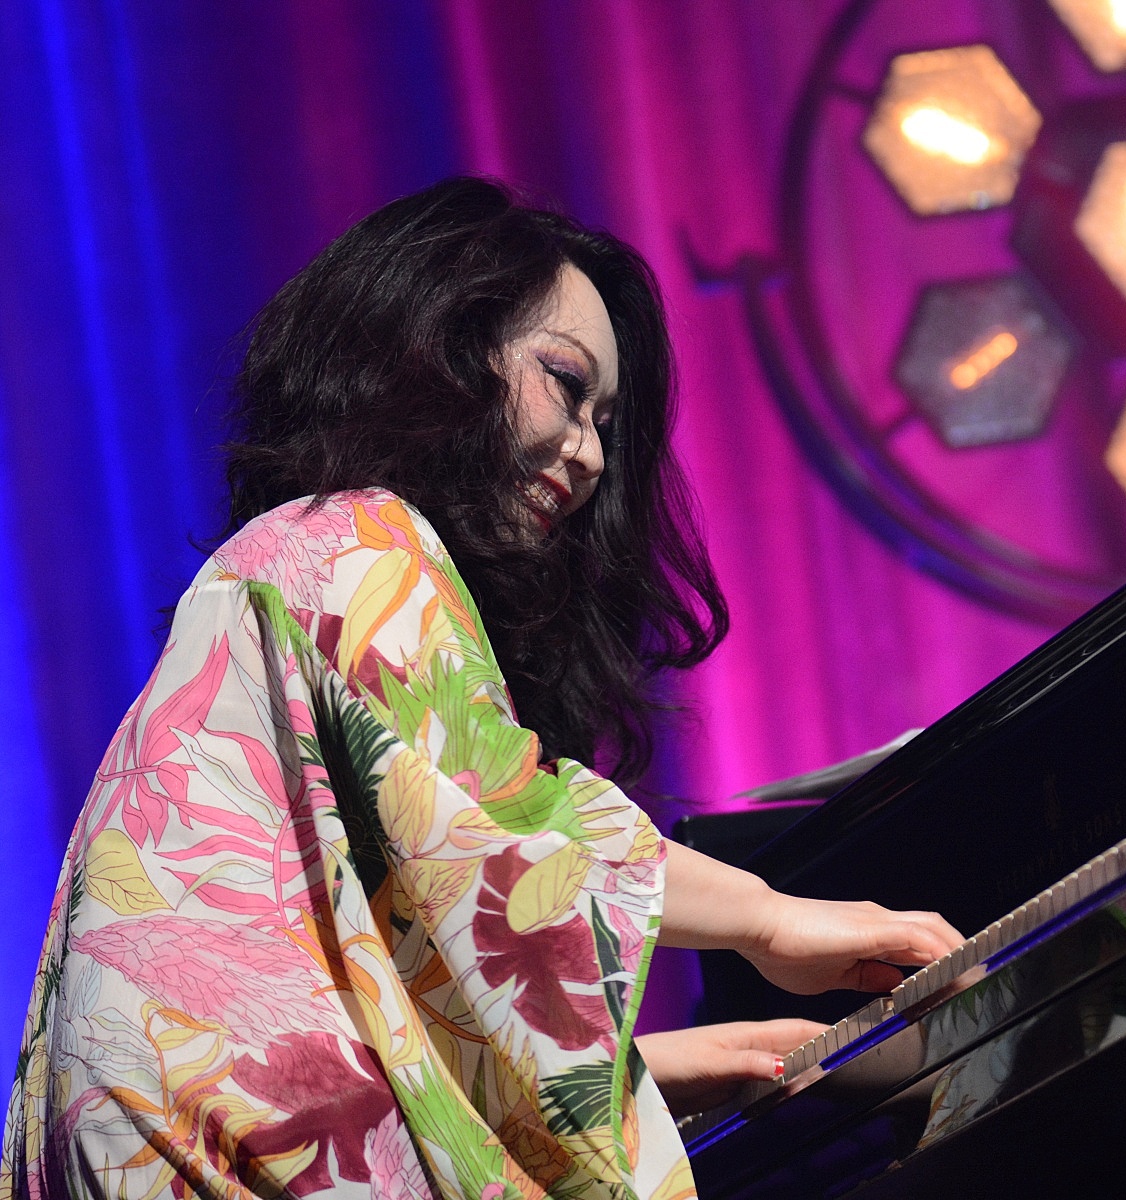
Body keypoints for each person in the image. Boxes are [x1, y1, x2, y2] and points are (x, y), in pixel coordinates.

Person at [0, 178, 960, 1200]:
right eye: (566, 384)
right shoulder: (356, 540)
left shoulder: (277, 565)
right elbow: (506, 824)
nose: (591, 453)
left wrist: (666, 1064)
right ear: (441, 344)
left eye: (606, 420)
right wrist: (769, 918)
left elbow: (359, 992)